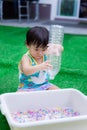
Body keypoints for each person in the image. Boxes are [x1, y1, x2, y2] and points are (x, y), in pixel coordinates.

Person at [17, 26, 63, 92]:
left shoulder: (46, 53)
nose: (40, 53)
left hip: (44, 86)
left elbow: (61, 49)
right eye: (36, 49)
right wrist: (40, 67)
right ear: (28, 45)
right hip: (26, 88)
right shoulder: (26, 58)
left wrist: (56, 47)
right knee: (18, 97)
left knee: (60, 92)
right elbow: (26, 71)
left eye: (43, 49)